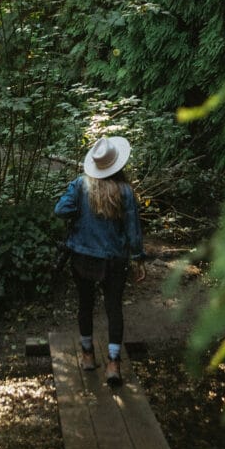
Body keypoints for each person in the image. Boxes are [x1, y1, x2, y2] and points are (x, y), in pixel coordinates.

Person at [54, 134, 146, 387]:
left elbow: (60, 210)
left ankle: (86, 356)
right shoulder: (125, 191)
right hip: (115, 260)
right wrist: (138, 258)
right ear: (117, 163)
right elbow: (133, 229)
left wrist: (77, 211)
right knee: (114, 308)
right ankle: (114, 364)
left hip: (82, 256)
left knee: (85, 304)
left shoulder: (81, 185)